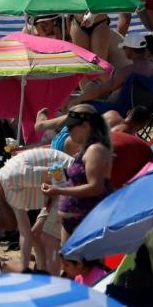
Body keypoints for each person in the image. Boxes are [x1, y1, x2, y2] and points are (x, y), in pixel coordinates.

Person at [42, 103, 113, 241]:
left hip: (86, 223)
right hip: (74, 223)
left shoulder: (95, 150)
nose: (68, 131)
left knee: (85, 262)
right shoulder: (85, 150)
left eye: (70, 127)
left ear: (85, 126)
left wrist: (59, 191)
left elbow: (96, 187)